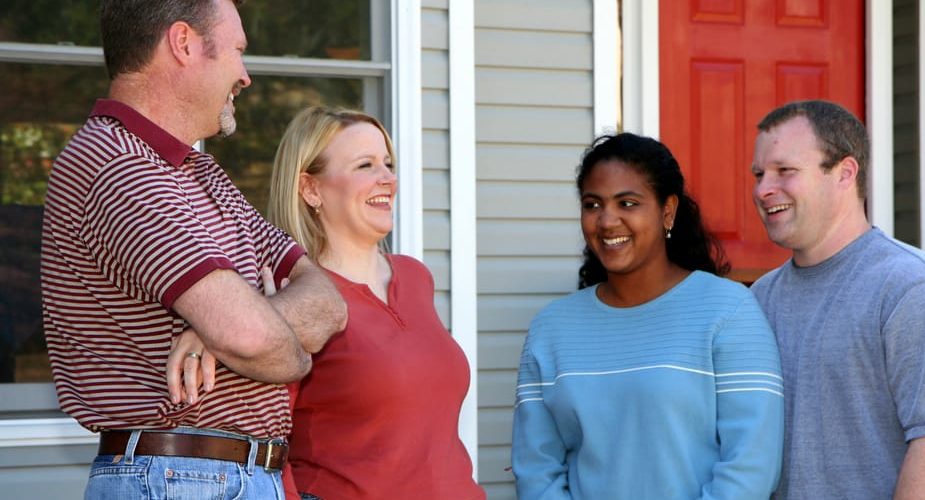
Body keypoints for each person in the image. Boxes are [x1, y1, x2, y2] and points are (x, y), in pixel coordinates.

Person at [40, 1, 346, 498]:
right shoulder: (116, 165)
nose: (245, 76)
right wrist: (280, 347)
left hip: (219, 474)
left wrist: (234, 327)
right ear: (183, 43)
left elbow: (328, 301)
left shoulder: (202, 175)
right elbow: (252, 339)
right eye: (237, 51)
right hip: (177, 476)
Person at [512, 133, 784, 499]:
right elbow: (537, 470)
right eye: (593, 205)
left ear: (666, 210)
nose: (607, 221)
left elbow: (750, 465)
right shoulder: (551, 330)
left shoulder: (727, 311)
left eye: (627, 203)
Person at [749, 100, 925, 499]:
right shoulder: (760, 298)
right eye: (758, 174)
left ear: (844, 173)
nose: (763, 189)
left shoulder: (913, 288)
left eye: (784, 171)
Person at [264, 106, 485, 499]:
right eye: (365, 165)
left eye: (388, 163)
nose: (388, 179)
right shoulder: (295, 297)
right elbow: (270, 438)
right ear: (311, 189)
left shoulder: (415, 278)